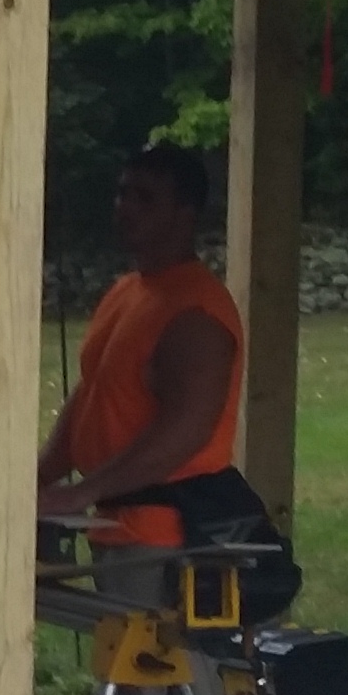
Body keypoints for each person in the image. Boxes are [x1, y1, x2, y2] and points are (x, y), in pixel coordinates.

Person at [42, 142, 300, 622]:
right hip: (115, 529)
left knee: (161, 686)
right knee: (127, 687)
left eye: (145, 198)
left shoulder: (196, 313)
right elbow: (93, 394)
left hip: (166, 541)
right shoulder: (127, 291)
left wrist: (82, 491)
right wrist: (36, 479)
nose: (125, 209)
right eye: (122, 194)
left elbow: (185, 432)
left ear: (186, 213)